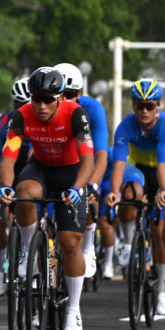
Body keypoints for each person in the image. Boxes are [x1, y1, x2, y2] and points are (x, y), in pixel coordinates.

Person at [0, 67, 94, 330]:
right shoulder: (21, 116)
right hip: (40, 168)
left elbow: (88, 158)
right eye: (36, 98)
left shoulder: (76, 113)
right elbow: (8, 157)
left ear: (60, 97)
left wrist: (78, 187)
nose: (40, 105)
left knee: (70, 242)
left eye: (48, 99)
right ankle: (30, 250)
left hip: (71, 172)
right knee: (23, 192)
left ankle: (73, 309)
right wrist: (6, 185)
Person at [106, 78, 165, 314]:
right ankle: (126, 241)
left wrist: (163, 191)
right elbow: (120, 165)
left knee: (160, 230)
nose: (144, 110)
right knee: (129, 194)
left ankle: (163, 290)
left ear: (158, 105)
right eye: (139, 105)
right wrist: (114, 193)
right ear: (133, 105)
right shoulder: (125, 127)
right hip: (138, 169)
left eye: (150, 106)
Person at [55, 62, 109, 279]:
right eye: (59, 94)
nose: (64, 100)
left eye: (69, 94)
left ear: (79, 93)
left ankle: (88, 248)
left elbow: (101, 155)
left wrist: (92, 186)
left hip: (83, 162)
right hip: (55, 163)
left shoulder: (93, 108)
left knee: (89, 197)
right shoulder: (46, 107)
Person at [0, 77, 32, 296]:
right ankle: (1, 268)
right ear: (14, 105)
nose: (25, 110)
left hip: (32, 172)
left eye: (28, 105)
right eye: (20, 105)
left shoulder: (43, 122)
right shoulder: (5, 122)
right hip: (6, 170)